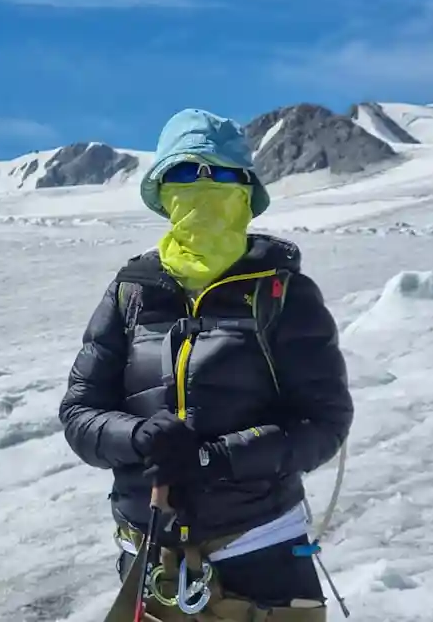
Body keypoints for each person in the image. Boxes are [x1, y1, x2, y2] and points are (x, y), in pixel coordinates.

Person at [58, 109, 354, 621]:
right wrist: (137, 436)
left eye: (218, 172)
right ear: (161, 191)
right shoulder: (131, 293)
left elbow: (323, 423)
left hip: (262, 553)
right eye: (183, 171)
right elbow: (80, 413)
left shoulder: (282, 293)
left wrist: (214, 459)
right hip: (150, 556)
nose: (201, 185)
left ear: (246, 189)